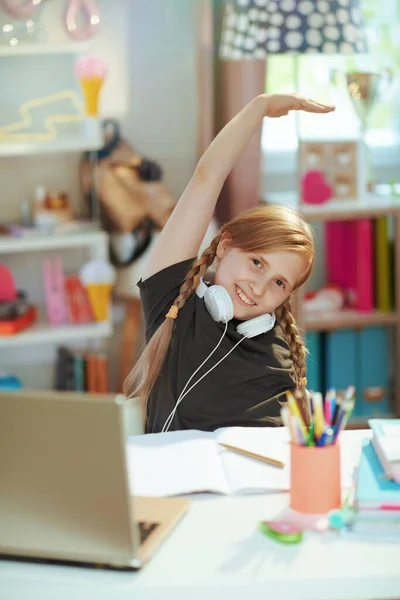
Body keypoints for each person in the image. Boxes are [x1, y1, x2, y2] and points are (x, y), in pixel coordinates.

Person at [123, 93, 335, 433]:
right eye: (256, 263)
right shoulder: (173, 304)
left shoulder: (277, 358)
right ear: (224, 245)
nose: (259, 287)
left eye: (279, 283)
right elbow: (207, 176)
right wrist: (260, 107)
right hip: (168, 483)